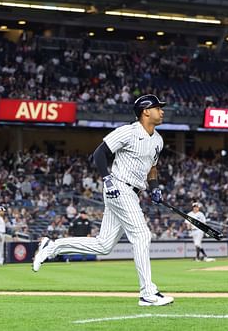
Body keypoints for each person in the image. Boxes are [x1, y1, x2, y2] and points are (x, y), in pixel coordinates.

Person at [32, 94, 174, 306]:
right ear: (145, 111)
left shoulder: (158, 140)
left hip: (132, 192)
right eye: (157, 108)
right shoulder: (128, 131)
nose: (161, 111)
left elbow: (152, 168)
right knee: (142, 235)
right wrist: (107, 179)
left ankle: (53, 246)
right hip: (118, 187)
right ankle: (147, 293)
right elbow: (99, 154)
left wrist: (154, 188)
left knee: (104, 245)